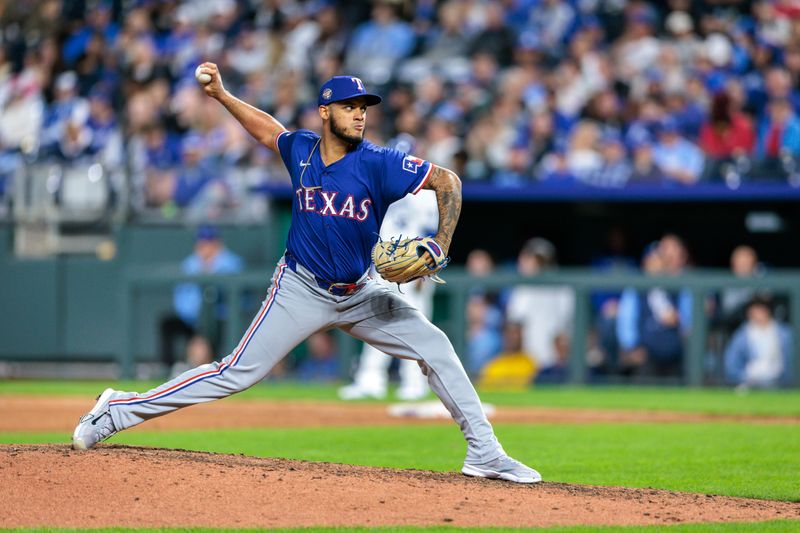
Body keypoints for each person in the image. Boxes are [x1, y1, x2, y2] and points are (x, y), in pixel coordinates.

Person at [72, 68, 541, 484]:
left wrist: (441, 243)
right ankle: (117, 409)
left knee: (436, 346)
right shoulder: (301, 150)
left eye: (363, 107)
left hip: (361, 291)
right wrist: (222, 96)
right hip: (300, 287)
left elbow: (448, 182)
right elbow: (267, 131)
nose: (359, 115)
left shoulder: (379, 162)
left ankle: (485, 452)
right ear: (325, 112)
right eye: (349, 106)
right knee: (234, 373)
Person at [338, 151, 438, 401]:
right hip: (382, 266)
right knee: (374, 323)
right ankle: (371, 380)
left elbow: (430, 230)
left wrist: (425, 267)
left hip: (413, 268)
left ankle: (415, 383)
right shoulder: (379, 189)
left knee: (417, 325)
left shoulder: (425, 192)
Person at [158, 224, 244, 377]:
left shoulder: (231, 262)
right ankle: (168, 370)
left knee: (211, 320)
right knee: (167, 322)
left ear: (216, 242)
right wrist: (194, 321)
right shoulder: (189, 264)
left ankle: (206, 367)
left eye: (209, 241)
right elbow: (181, 298)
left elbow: (240, 299)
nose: (205, 246)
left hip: (221, 318)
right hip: (192, 318)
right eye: (202, 242)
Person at [505, 238, 574, 383]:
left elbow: (567, 330)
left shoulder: (563, 289)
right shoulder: (522, 290)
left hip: (557, 364)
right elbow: (514, 331)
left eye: (540, 260)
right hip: (528, 363)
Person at [724, 296, 794, 389]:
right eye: (753, 311)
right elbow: (732, 364)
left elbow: (792, 361)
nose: (757, 314)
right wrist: (745, 377)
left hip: (780, 382)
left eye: (760, 310)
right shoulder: (741, 335)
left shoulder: (785, 333)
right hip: (751, 382)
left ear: (767, 311)